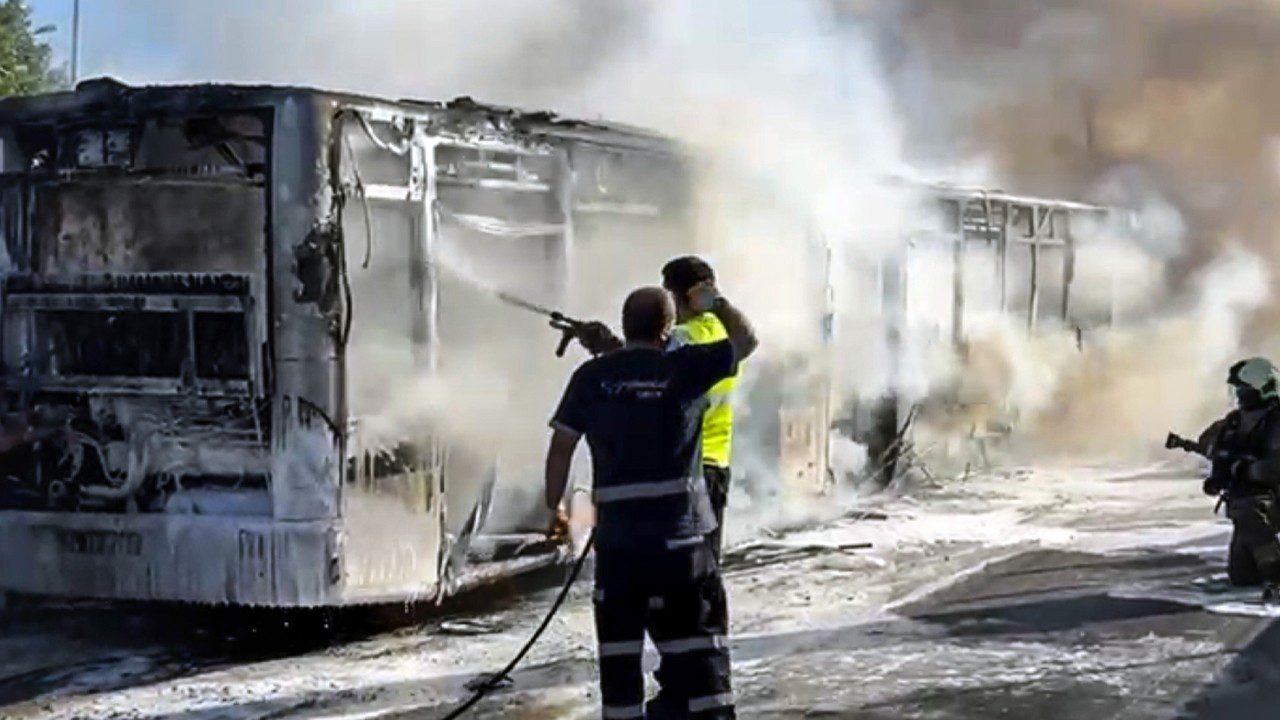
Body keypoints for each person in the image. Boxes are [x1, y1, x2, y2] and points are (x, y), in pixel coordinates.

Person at [544, 284, 758, 719]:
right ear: (668, 327)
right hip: (683, 549)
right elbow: (746, 340)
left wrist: (558, 510)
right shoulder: (687, 368)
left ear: (624, 326)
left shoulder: (592, 378)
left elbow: (562, 447)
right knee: (701, 658)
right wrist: (714, 303)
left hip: (621, 551)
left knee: (619, 663)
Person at [1196, 357, 1280, 600]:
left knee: (1249, 512)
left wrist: (1248, 470)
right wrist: (1219, 468)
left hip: (1270, 498)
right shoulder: (1234, 421)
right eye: (1239, 389)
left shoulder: (1275, 422)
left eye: (1245, 389)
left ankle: (1276, 574)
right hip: (1246, 503)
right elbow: (1207, 442)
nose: (1241, 394)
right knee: (1242, 577)